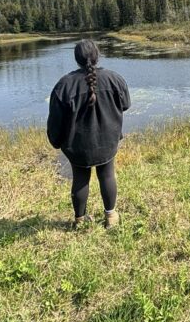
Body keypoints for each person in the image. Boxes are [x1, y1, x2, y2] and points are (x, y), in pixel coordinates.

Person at [47, 39, 131, 229]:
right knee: (107, 175)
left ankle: (80, 221)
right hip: (107, 141)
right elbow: (125, 105)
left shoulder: (64, 85)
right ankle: (111, 217)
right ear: (97, 55)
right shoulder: (114, 79)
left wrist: (56, 141)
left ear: (76, 59)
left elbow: (55, 121)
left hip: (78, 145)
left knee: (80, 178)